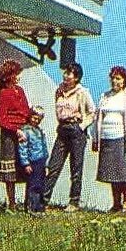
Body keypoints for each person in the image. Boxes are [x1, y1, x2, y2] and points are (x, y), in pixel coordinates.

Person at [42, 61, 95, 210]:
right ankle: (43, 199)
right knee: (53, 165)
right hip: (62, 129)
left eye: (69, 74)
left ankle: (74, 201)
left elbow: (92, 112)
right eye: (65, 73)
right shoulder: (59, 90)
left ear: (76, 77)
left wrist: (82, 126)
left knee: (76, 167)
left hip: (76, 130)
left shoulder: (82, 92)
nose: (66, 76)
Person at [92, 65, 126, 212]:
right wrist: (96, 139)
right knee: (112, 173)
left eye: (118, 78)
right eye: (113, 78)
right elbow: (97, 118)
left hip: (123, 139)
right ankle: (116, 203)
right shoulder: (105, 96)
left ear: (124, 80)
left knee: (125, 173)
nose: (115, 81)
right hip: (107, 139)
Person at [0, 58, 31, 211]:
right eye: (16, 74)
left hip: (24, 130)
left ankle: (29, 201)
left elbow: (26, 110)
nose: (19, 76)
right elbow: (0, 118)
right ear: (10, 75)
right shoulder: (3, 94)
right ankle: (12, 203)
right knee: (10, 170)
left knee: (27, 166)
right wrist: (16, 130)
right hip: (10, 135)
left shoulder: (20, 91)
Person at [18, 106, 49, 214]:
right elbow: (23, 148)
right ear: (30, 116)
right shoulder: (25, 131)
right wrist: (26, 164)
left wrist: (46, 162)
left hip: (41, 160)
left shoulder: (39, 131)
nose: (36, 121)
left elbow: (43, 146)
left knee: (41, 185)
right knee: (33, 185)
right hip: (32, 161)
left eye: (39, 119)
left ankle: (39, 207)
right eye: (34, 118)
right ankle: (31, 208)